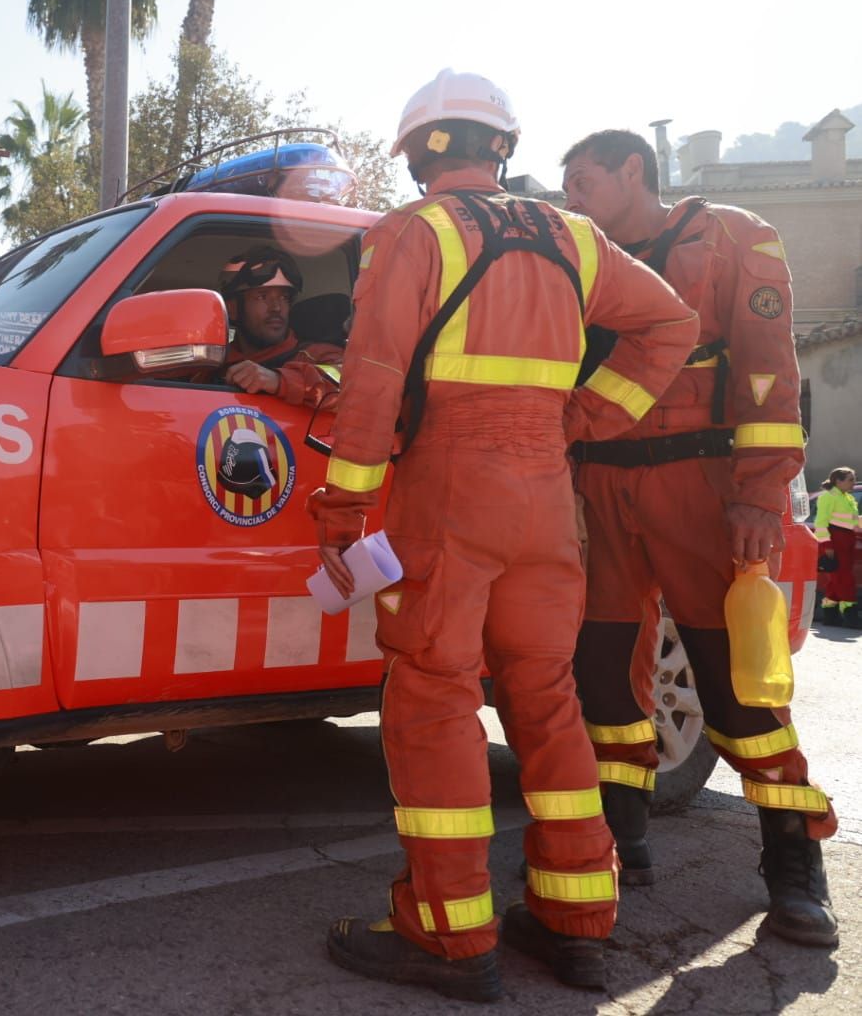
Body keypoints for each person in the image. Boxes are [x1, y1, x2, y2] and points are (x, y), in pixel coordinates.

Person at [312, 70, 698, 1001]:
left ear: (416, 152)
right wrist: (582, 421)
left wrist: (341, 515)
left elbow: (369, 386)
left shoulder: (414, 233)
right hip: (543, 494)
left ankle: (449, 936)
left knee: (434, 699)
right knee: (546, 697)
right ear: (503, 149)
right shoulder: (573, 235)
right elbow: (671, 324)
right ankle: (576, 921)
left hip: (453, 490)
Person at [561, 129, 840, 947]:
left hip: (702, 487)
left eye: (583, 180)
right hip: (600, 486)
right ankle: (623, 841)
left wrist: (759, 494)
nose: (572, 196)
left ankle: (793, 867)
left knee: (737, 688)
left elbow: (767, 370)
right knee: (604, 682)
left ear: (632, 170)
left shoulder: (730, 236)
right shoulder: (580, 257)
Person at [215, 246, 344, 409]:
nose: (276, 307)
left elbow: (356, 386)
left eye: (284, 297)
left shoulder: (316, 354)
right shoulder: (214, 364)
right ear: (232, 309)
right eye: (262, 296)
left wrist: (279, 381)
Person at [814, 466, 859, 628]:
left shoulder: (846, 497)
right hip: (835, 540)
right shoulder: (829, 497)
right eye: (850, 479)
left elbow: (852, 521)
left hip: (846, 540)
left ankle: (830, 616)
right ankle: (850, 615)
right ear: (838, 481)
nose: (853, 482)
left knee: (836, 580)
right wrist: (826, 544)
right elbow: (820, 523)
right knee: (845, 578)